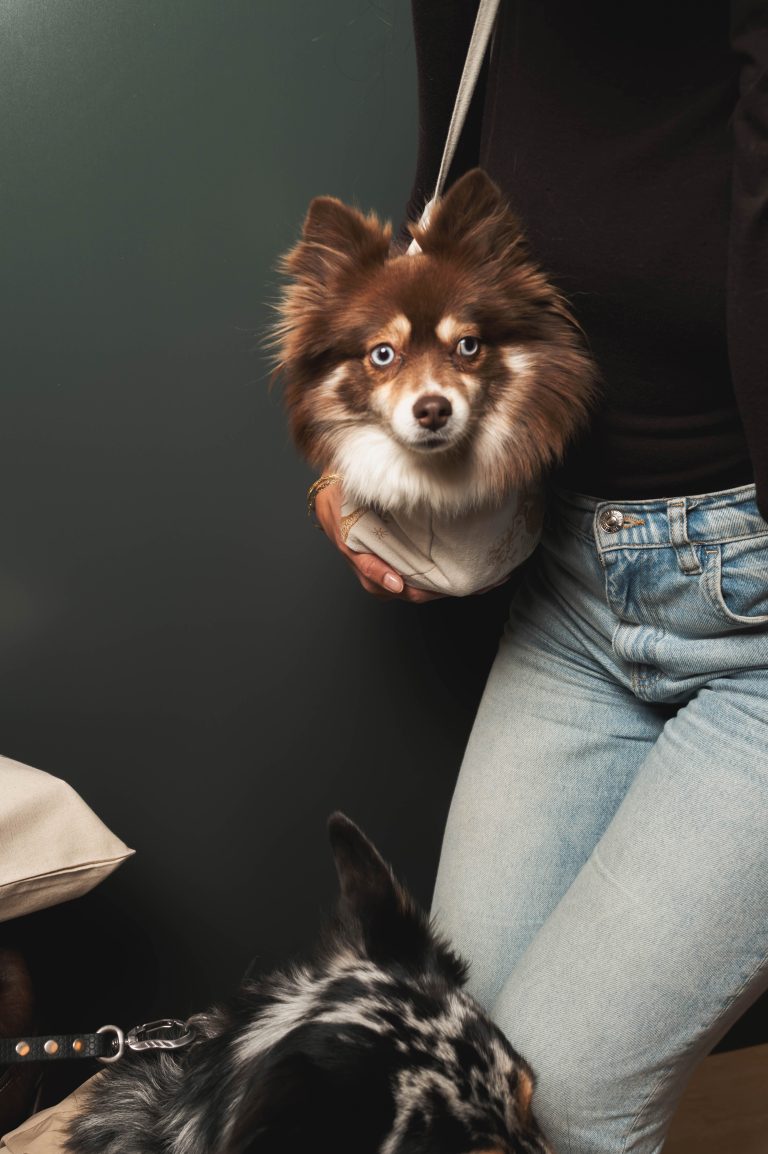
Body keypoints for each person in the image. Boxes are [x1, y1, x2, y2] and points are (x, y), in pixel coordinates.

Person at [314, 2, 768, 1151]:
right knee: (453, 1061)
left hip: (759, 621)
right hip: (573, 590)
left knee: (558, 1099)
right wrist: (362, 476)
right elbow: (437, 258)